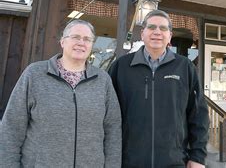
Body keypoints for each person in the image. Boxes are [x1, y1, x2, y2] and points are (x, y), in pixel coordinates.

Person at [0, 19, 122, 167]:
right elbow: (11, 128)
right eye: (75, 37)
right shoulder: (35, 74)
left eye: (87, 39)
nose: (81, 42)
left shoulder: (103, 80)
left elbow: (113, 131)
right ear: (63, 42)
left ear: (91, 45)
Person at [109, 9, 209, 168]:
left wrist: (197, 156)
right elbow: (108, 116)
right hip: (129, 162)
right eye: (151, 27)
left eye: (163, 28)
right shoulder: (121, 67)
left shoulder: (184, 67)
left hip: (174, 161)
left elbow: (198, 115)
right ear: (142, 34)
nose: (157, 32)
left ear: (170, 35)